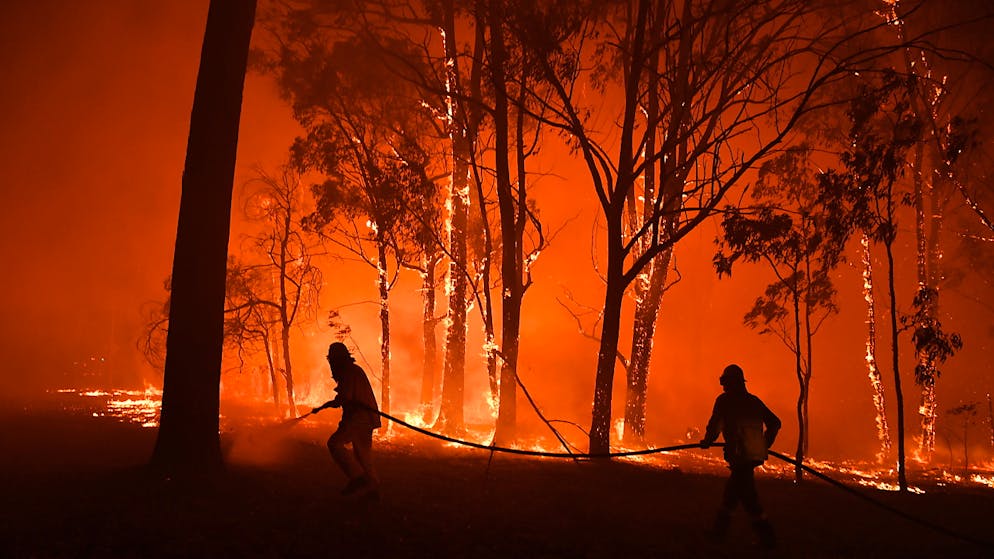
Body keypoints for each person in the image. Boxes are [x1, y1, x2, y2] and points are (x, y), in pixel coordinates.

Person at [699, 364, 781, 548]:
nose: (723, 386)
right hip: (751, 456)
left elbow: (716, 425)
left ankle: (765, 538)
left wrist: (707, 441)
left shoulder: (724, 401)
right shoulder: (754, 402)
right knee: (738, 495)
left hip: (739, 456)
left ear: (734, 382)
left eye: (725, 382)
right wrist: (764, 444)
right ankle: (722, 534)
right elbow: (775, 423)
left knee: (744, 497)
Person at [313, 342, 382, 499]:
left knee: (334, 444)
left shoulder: (349, 372)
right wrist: (328, 405)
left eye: (332, 359)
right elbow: (346, 396)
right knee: (363, 456)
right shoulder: (352, 370)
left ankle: (358, 479)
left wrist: (329, 404)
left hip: (360, 419)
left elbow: (346, 397)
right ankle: (373, 490)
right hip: (365, 418)